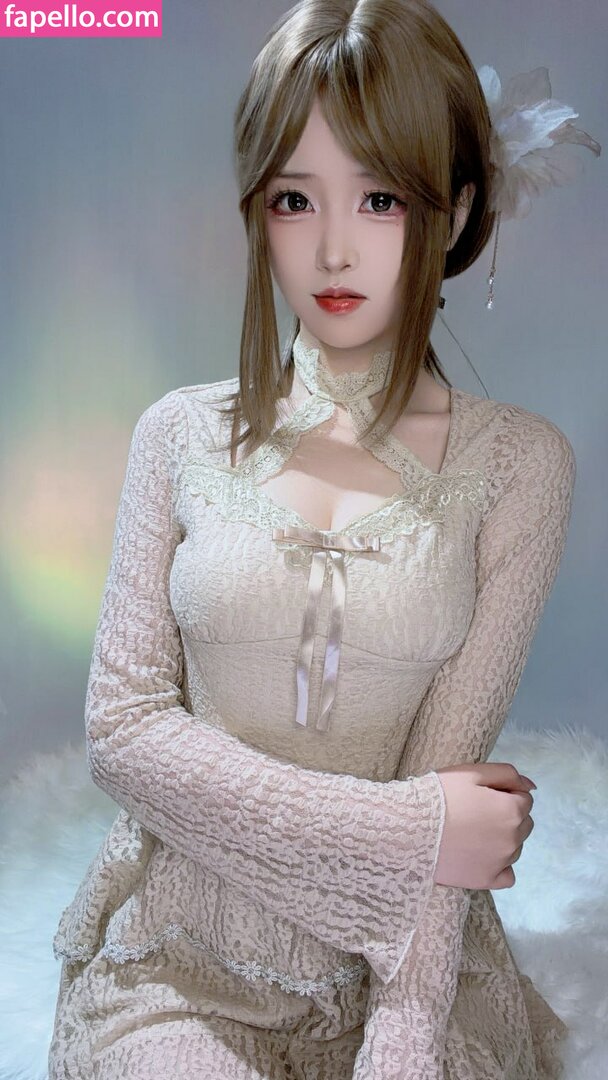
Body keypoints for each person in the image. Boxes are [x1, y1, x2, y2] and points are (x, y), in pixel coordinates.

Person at [48, 1, 578, 1077]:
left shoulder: (520, 467)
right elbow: (124, 731)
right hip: (183, 960)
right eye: (295, 198)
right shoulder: (177, 435)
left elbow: (444, 800)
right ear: (258, 212)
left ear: (454, 209)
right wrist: (410, 832)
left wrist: (403, 1038)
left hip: (413, 968)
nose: (333, 247)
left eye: (379, 198)